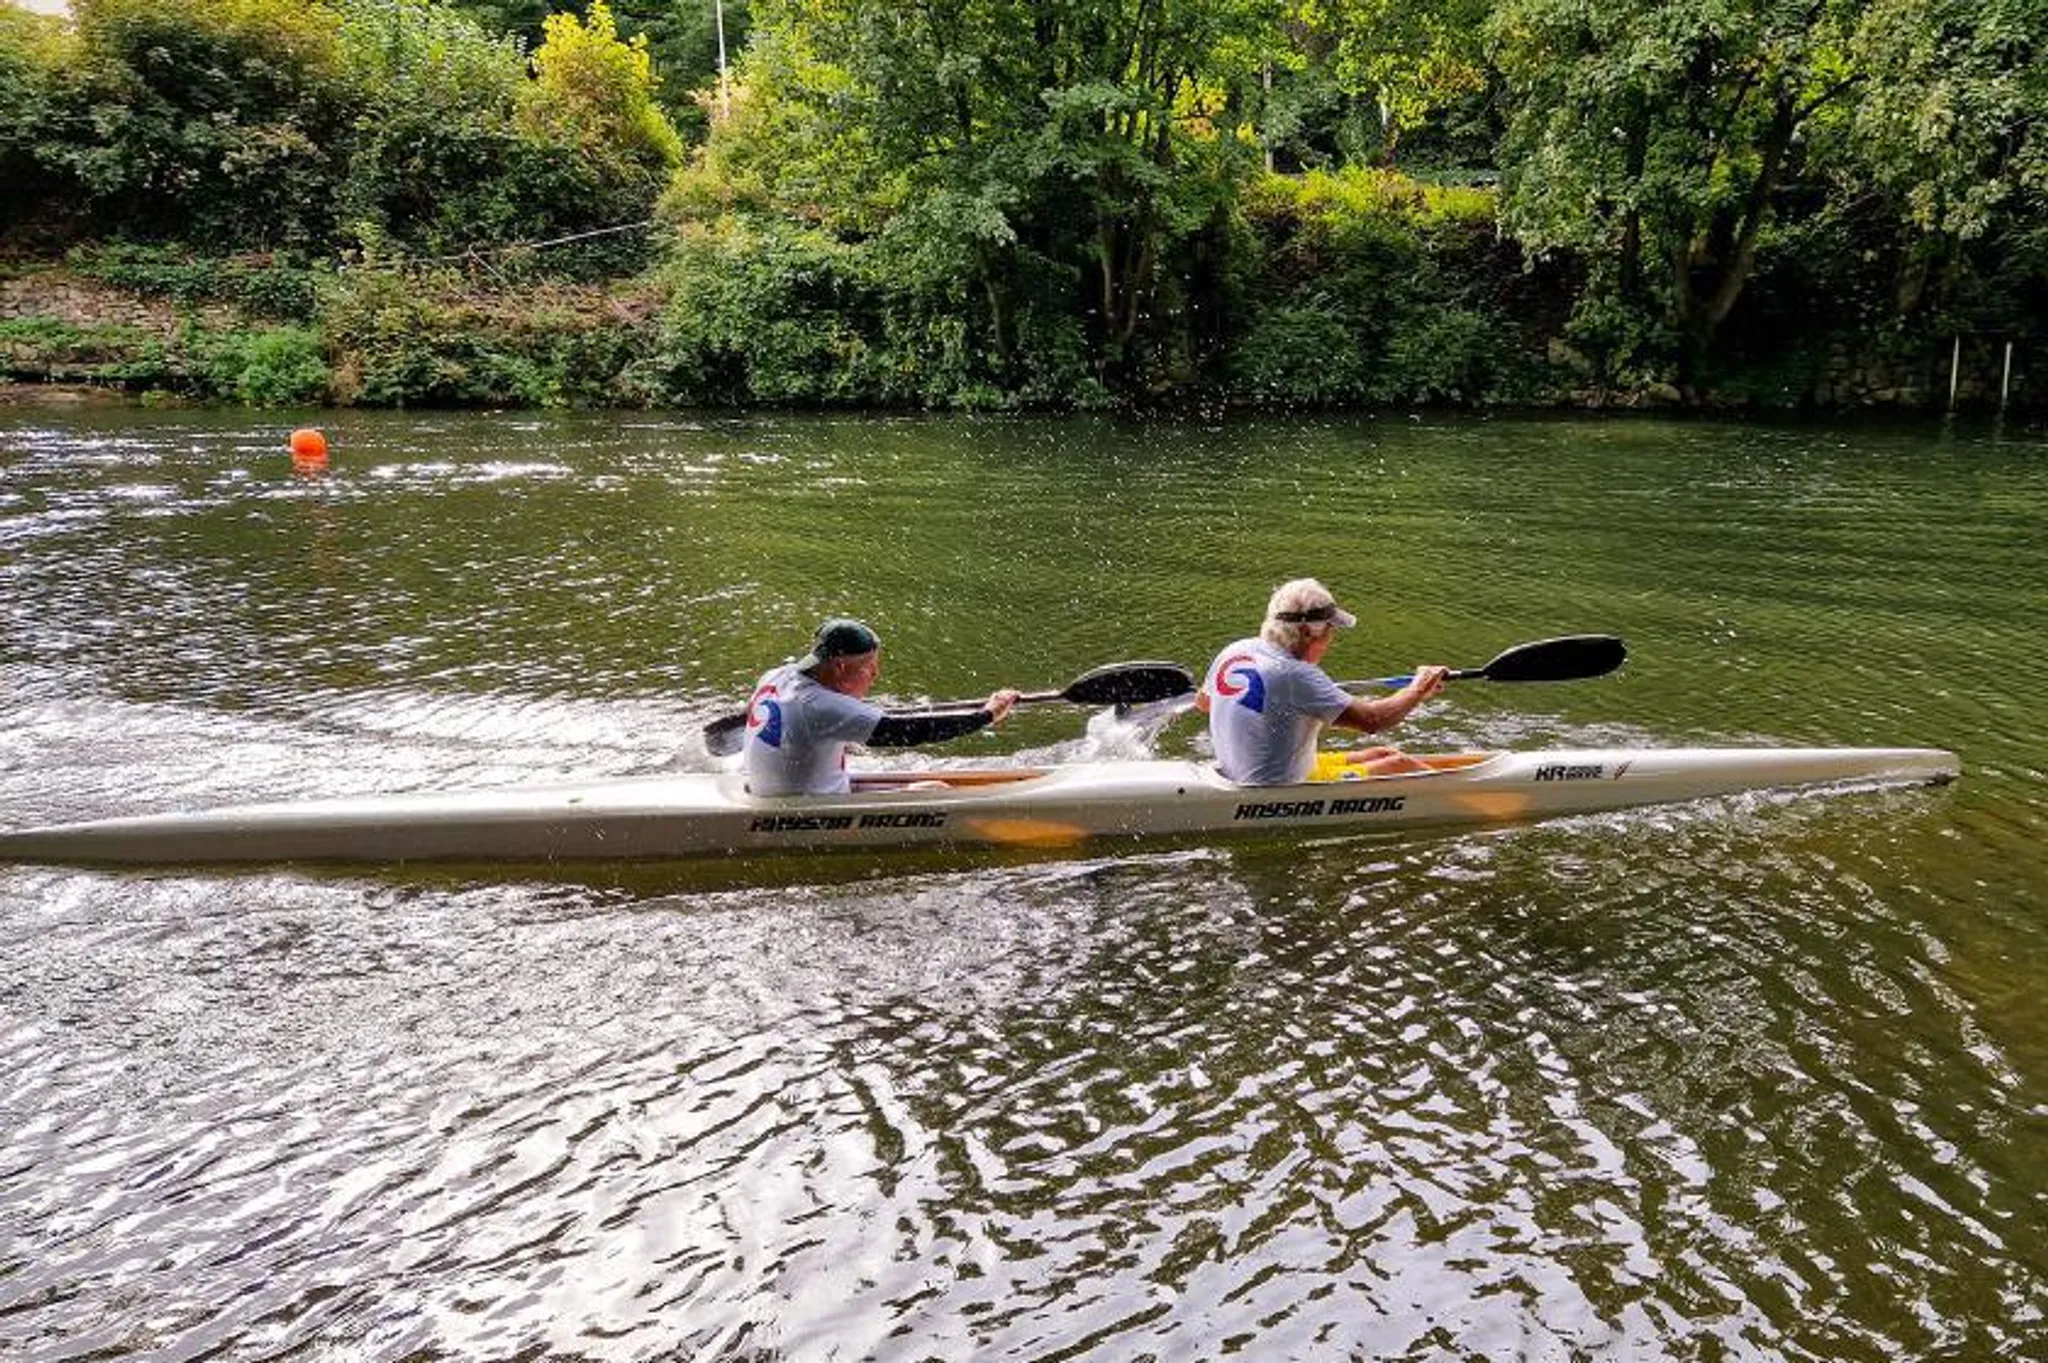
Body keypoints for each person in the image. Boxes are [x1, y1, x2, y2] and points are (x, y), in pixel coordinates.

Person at [1196, 579, 1449, 786]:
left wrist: (1284, 711)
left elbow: (1204, 703)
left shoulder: (1236, 650)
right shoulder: (1296, 675)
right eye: (1330, 628)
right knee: (1398, 765)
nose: (1332, 636)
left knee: (1383, 754)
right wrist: (1418, 688)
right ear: (1307, 632)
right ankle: (1463, 800)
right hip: (1275, 788)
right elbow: (1373, 721)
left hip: (1235, 773)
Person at [743, 617, 1021, 796]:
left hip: (778, 792)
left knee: (928, 785)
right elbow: (909, 732)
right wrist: (986, 715)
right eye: (870, 667)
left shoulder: (776, 676)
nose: (875, 675)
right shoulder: (822, 707)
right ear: (839, 667)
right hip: (802, 811)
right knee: (935, 790)